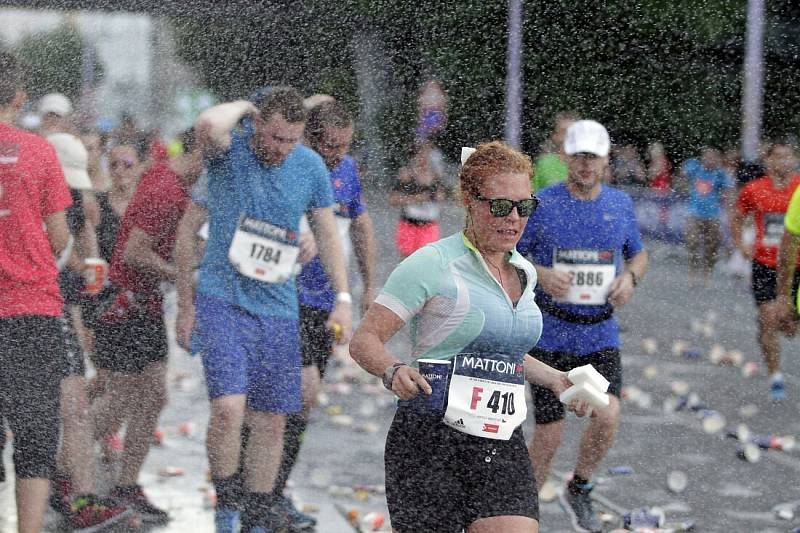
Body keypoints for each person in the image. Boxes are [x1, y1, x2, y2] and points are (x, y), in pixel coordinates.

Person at [350, 141, 590, 533]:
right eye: (500, 206)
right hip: (430, 439)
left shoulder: (524, 271)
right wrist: (393, 370)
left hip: (499, 438)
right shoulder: (432, 264)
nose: (513, 218)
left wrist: (557, 380)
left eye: (524, 206)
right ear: (469, 200)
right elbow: (364, 341)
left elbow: (504, 351)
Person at [190, 88, 353, 532]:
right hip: (223, 297)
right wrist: (245, 107)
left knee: (271, 418)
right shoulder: (229, 152)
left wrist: (343, 299)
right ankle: (226, 509)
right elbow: (208, 125)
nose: (282, 150)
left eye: (292, 140)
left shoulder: (309, 166)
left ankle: (257, 517)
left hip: (279, 307)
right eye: (276, 138)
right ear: (258, 124)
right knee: (228, 409)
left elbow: (329, 234)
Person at [517, 120, 648, 533]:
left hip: (598, 332)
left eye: (594, 157)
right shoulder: (542, 203)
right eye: (579, 157)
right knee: (549, 435)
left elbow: (639, 255)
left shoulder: (621, 204)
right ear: (566, 157)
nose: (586, 165)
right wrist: (540, 272)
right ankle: (525, 513)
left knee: (607, 415)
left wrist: (630, 279)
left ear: (607, 161)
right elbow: (510, 258)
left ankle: (581, 486)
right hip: (551, 332)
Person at [91, 128, 202, 524]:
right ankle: (63, 465)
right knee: (120, 396)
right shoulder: (165, 191)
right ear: (200, 151)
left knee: (153, 394)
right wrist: (179, 273)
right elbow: (135, 252)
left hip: (145, 303)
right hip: (124, 303)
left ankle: (125, 484)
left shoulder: (170, 183)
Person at [0, 51, 76, 533]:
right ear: (20, 98)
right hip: (31, 309)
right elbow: (59, 237)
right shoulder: (40, 151)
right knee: (34, 433)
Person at [47, 133, 132, 531]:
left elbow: (87, 251)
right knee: (37, 410)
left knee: (75, 405)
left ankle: (80, 495)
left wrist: (87, 305)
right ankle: (54, 484)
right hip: (25, 307)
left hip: (60, 307)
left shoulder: (79, 201)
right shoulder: (26, 191)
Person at [730, 140, 800, 401]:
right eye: (777, 157)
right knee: (768, 319)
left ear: (794, 160)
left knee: (790, 325)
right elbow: (737, 216)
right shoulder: (754, 189)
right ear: (768, 161)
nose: (782, 162)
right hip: (766, 264)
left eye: (787, 157)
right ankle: (776, 375)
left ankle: (789, 321)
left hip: (797, 266)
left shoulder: (799, 189)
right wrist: (740, 244)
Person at [678, 147, 734, 286]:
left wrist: (729, 205)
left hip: (713, 214)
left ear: (717, 159)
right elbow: (681, 175)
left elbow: (729, 190)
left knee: (712, 245)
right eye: (707, 157)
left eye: (713, 157)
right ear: (703, 157)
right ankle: (693, 271)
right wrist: (683, 182)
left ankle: (707, 271)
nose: (710, 160)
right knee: (692, 242)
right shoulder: (694, 168)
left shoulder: (720, 174)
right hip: (694, 212)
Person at [389, 140, 446, 258]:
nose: (424, 158)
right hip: (409, 224)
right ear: (414, 155)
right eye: (421, 154)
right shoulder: (407, 176)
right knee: (406, 261)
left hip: (429, 225)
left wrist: (439, 197)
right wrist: (415, 198)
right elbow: (392, 200)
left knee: (427, 260)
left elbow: (441, 198)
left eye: (427, 154)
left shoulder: (435, 177)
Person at [532, 111, 578, 192]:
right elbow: (533, 195)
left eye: (573, 131)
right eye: (564, 131)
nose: (569, 135)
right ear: (554, 136)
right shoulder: (544, 164)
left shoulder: (589, 163)